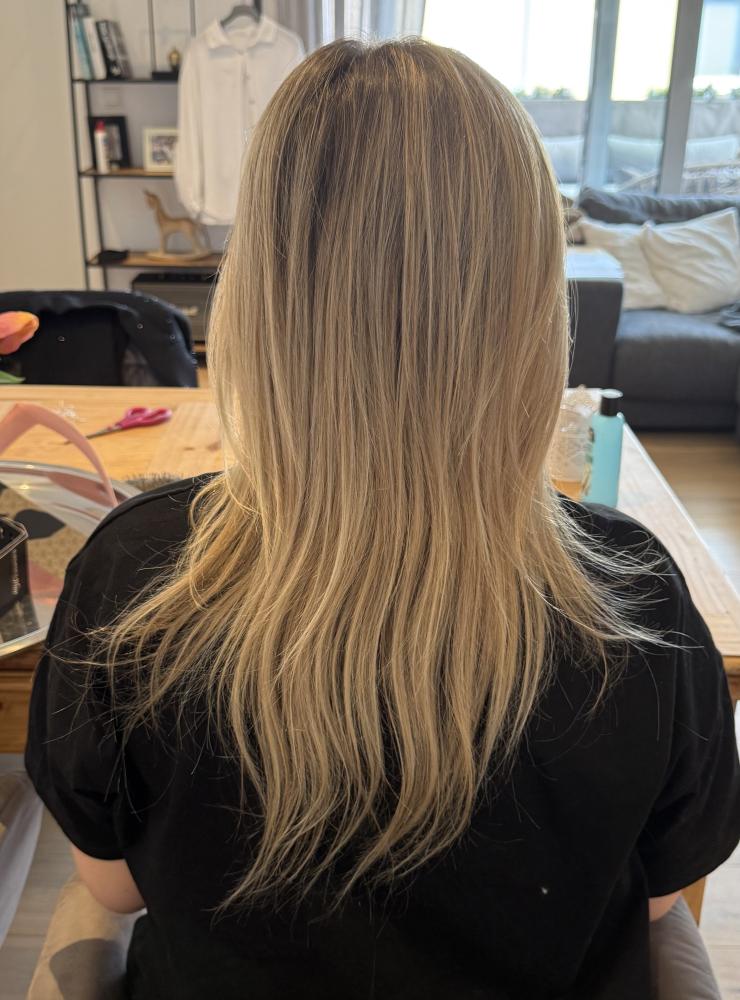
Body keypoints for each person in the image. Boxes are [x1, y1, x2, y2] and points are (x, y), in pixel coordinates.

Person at [26, 39, 739, 1000]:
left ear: (262, 293)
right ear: (530, 301)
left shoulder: (137, 576)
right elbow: (656, 907)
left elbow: (111, 886)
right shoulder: (635, 601)